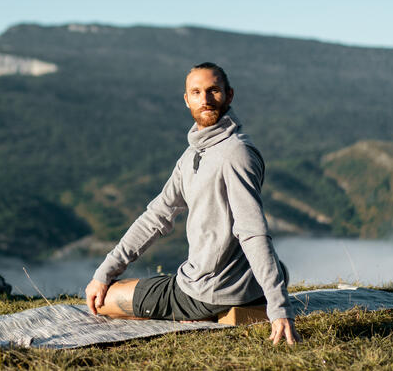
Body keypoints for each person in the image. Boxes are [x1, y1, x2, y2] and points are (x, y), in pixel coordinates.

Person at [85, 62, 302, 345]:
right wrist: (106, 270)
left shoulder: (235, 154)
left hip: (209, 290)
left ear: (229, 95)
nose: (206, 99)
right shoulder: (192, 155)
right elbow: (157, 215)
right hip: (238, 283)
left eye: (214, 90)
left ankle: (201, 314)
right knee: (115, 285)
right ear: (187, 99)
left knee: (103, 301)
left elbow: (252, 230)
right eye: (197, 92)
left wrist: (279, 308)